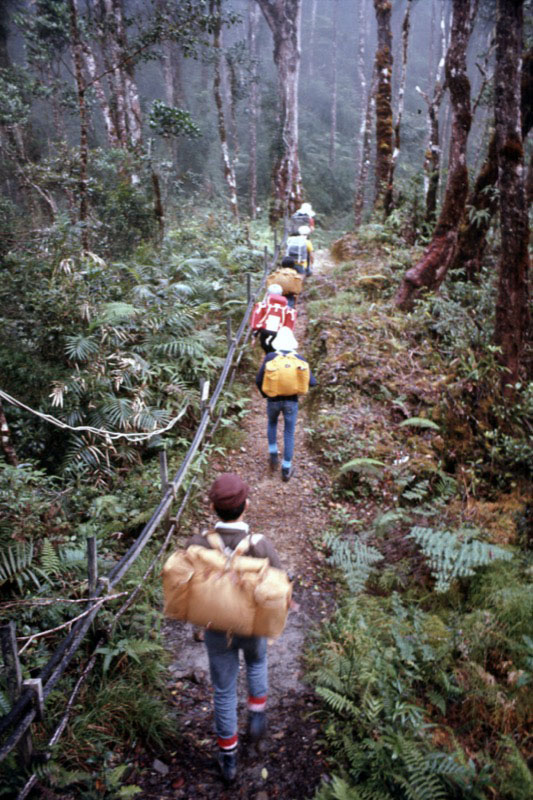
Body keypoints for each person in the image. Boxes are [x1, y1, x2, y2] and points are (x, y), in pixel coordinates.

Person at [186, 473, 283, 783]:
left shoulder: (199, 543)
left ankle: (228, 757)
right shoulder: (259, 544)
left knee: (224, 691)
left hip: (216, 628)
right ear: (247, 505)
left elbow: (188, 583)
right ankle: (257, 715)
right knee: (256, 662)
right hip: (252, 627)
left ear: (213, 507)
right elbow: (279, 581)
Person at [255, 327, 317, 482]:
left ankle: (273, 454)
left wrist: (266, 394)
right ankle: (286, 468)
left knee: (272, 423)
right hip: (291, 401)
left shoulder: (270, 357)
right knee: (289, 432)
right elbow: (313, 382)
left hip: (273, 400)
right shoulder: (300, 359)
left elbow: (258, 379)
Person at [251, 283, 297, 354]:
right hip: (278, 333)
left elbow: (257, 319)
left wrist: (254, 335)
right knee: (275, 350)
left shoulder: (263, 305)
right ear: (281, 294)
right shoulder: (287, 308)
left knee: (266, 348)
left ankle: (268, 358)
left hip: (264, 331)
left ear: (268, 294)